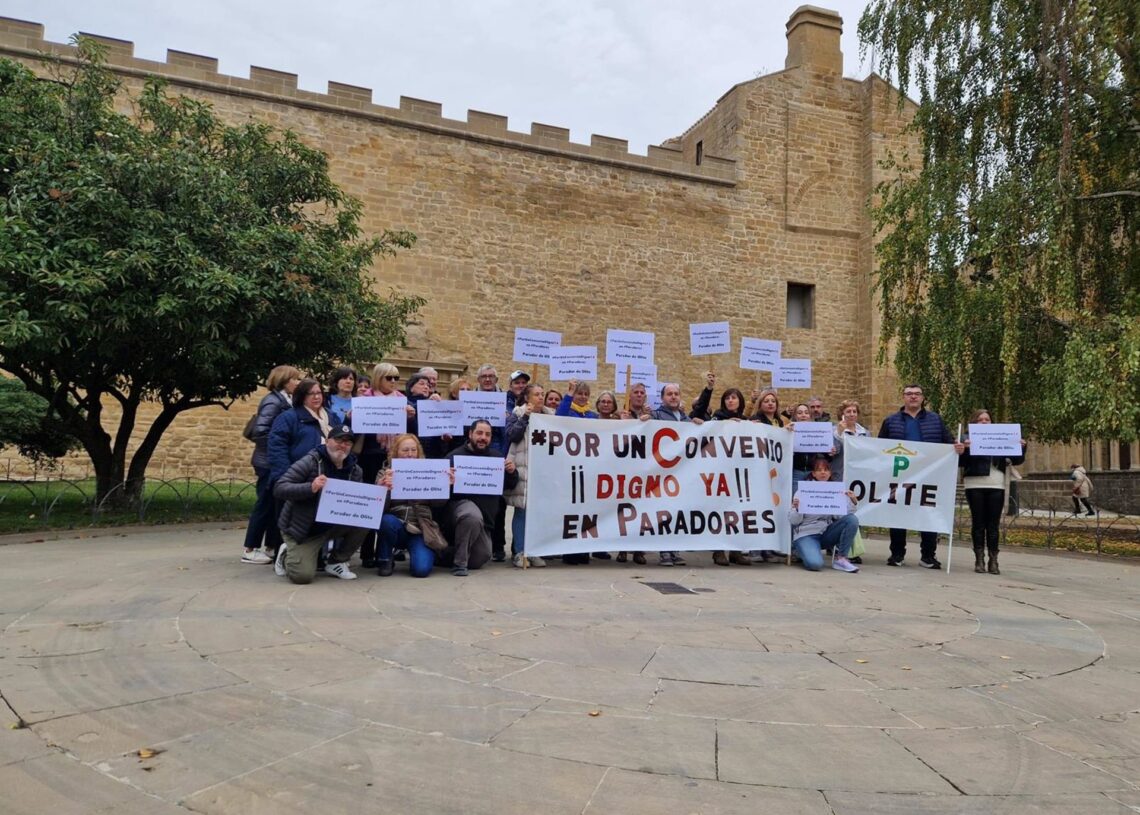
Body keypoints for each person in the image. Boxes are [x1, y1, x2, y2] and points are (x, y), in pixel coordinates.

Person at [273, 425, 369, 583]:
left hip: (331, 525)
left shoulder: (355, 470)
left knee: (366, 517)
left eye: (348, 443)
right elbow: (280, 487)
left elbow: (359, 503)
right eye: (339, 440)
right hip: (304, 529)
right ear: (328, 441)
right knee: (302, 577)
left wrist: (381, 488)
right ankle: (286, 552)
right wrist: (311, 487)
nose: (343, 445)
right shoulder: (310, 461)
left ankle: (336, 561)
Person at [878, 384, 957, 569]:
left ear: (922, 398)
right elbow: (880, 448)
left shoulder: (935, 420)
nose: (913, 397)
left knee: (928, 513)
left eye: (917, 394)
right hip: (899, 476)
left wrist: (958, 447)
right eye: (909, 394)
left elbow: (949, 443)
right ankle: (897, 554)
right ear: (903, 397)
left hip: (928, 476)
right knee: (898, 513)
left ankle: (928, 556)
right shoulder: (891, 421)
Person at [241, 365, 301, 564]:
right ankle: (250, 548)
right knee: (265, 504)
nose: (298, 383)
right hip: (268, 462)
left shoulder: (286, 400)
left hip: (275, 462)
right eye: (295, 379)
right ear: (284, 380)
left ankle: (271, 546)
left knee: (277, 504)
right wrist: (279, 452)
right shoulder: (273, 401)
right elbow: (261, 432)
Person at [442, 419, 518, 575]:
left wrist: (511, 472)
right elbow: (440, 491)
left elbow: (509, 485)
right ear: (470, 434)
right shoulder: (453, 457)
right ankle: (459, 564)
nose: (483, 437)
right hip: (458, 514)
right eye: (479, 433)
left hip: (484, 522)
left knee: (481, 558)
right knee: (471, 515)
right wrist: (447, 481)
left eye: (487, 434)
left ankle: (440, 553)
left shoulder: (496, 458)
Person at [959, 409, 1027, 575]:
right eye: (980, 419)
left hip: (996, 483)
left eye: (987, 419)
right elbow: (960, 462)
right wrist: (964, 449)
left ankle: (994, 560)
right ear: (973, 422)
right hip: (974, 483)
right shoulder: (965, 438)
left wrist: (1022, 447)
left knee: (993, 524)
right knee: (978, 523)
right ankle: (979, 558)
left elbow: (1017, 460)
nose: (984, 422)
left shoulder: (1000, 436)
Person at [355, 362, 410, 567]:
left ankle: (385, 551)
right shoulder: (364, 400)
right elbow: (356, 432)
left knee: (390, 505)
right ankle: (367, 552)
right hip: (370, 457)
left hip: (395, 458)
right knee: (371, 503)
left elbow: (408, 433)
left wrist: (411, 417)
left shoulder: (402, 400)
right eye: (389, 378)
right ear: (379, 378)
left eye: (396, 378)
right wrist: (353, 416)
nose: (394, 382)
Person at [375, 434, 451, 577]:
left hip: (420, 528)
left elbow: (438, 504)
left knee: (421, 570)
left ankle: (422, 552)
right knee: (386, 521)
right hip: (396, 526)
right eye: (405, 450)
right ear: (396, 452)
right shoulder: (385, 473)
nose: (410, 454)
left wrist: (445, 486)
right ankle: (385, 558)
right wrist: (382, 489)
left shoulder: (429, 472)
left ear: (418, 452)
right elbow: (377, 510)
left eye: (413, 450)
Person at [555, 379, 602, 562]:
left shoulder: (592, 416)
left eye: (585, 394)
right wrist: (568, 394)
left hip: (588, 469)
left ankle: (584, 550)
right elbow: (559, 418)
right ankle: (570, 551)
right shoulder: (568, 411)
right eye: (579, 394)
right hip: (569, 468)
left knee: (586, 510)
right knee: (571, 511)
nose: (582, 397)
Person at [504, 384, 550, 568]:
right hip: (523, 467)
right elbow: (512, 435)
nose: (540, 397)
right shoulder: (517, 414)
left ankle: (534, 551)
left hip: (542, 470)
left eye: (542, 394)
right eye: (536, 394)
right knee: (522, 510)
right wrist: (526, 417)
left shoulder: (550, 417)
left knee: (538, 513)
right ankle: (520, 552)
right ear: (527, 398)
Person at [788, 457, 860, 572]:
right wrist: (797, 509)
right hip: (806, 534)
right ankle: (800, 550)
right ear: (814, 474)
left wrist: (853, 501)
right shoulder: (803, 490)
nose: (823, 472)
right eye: (819, 470)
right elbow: (794, 521)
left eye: (826, 470)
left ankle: (841, 559)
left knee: (852, 519)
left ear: (830, 473)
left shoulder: (835, 491)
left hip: (826, 533)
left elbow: (841, 517)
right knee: (815, 564)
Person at [706, 388, 752, 567]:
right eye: (727, 398)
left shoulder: (745, 421)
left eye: (734, 398)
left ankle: (736, 550)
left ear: (740, 401)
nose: (730, 401)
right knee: (721, 510)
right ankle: (718, 550)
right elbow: (710, 431)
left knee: (739, 510)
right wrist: (725, 424)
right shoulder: (718, 416)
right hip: (721, 471)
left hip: (740, 472)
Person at [650, 383, 691, 567]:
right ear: (662, 398)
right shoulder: (656, 415)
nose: (673, 397)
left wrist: (698, 424)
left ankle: (674, 549)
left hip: (681, 473)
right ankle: (664, 551)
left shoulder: (685, 418)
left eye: (676, 394)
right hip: (662, 473)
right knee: (663, 511)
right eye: (669, 394)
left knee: (677, 511)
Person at [474, 363, 511, 561]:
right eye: (484, 376)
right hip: (473, 455)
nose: (487, 380)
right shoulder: (469, 399)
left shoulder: (505, 401)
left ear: (496, 380)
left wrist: (508, 417)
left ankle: (498, 546)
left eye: (491, 376)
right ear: (478, 380)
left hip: (497, 454)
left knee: (499, 503)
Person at [267, 377, 329, 484]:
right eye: (311, 394)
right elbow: (277, 449)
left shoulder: (331, 416)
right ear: (302, 396)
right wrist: (286, 477)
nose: (316, 397)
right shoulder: (288, 418)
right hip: (299, 477)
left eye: (319, 393)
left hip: (326, 476)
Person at [830, 399, 869, 481]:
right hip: (839, 475)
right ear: (842, 414)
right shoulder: (833, 430)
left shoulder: (865, 433)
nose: (852, 414)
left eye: (854, 412)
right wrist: (839, 433)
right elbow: (833, 451)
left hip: (858, 476)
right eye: (848, 412)